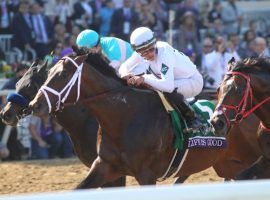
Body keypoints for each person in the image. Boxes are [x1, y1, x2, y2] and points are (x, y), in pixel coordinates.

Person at [119, 27, 203, 130]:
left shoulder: (164, 54)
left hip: (192, 81)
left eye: (151, 49)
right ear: (138, 51)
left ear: (154, 43)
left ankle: (192, 118)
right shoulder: (140, 52)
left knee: (161, 88)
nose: (150, 54)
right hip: (174, 80)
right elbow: (124, 67)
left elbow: (168, 86)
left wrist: (143, 78)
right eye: (144, 52)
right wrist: (127, 74)